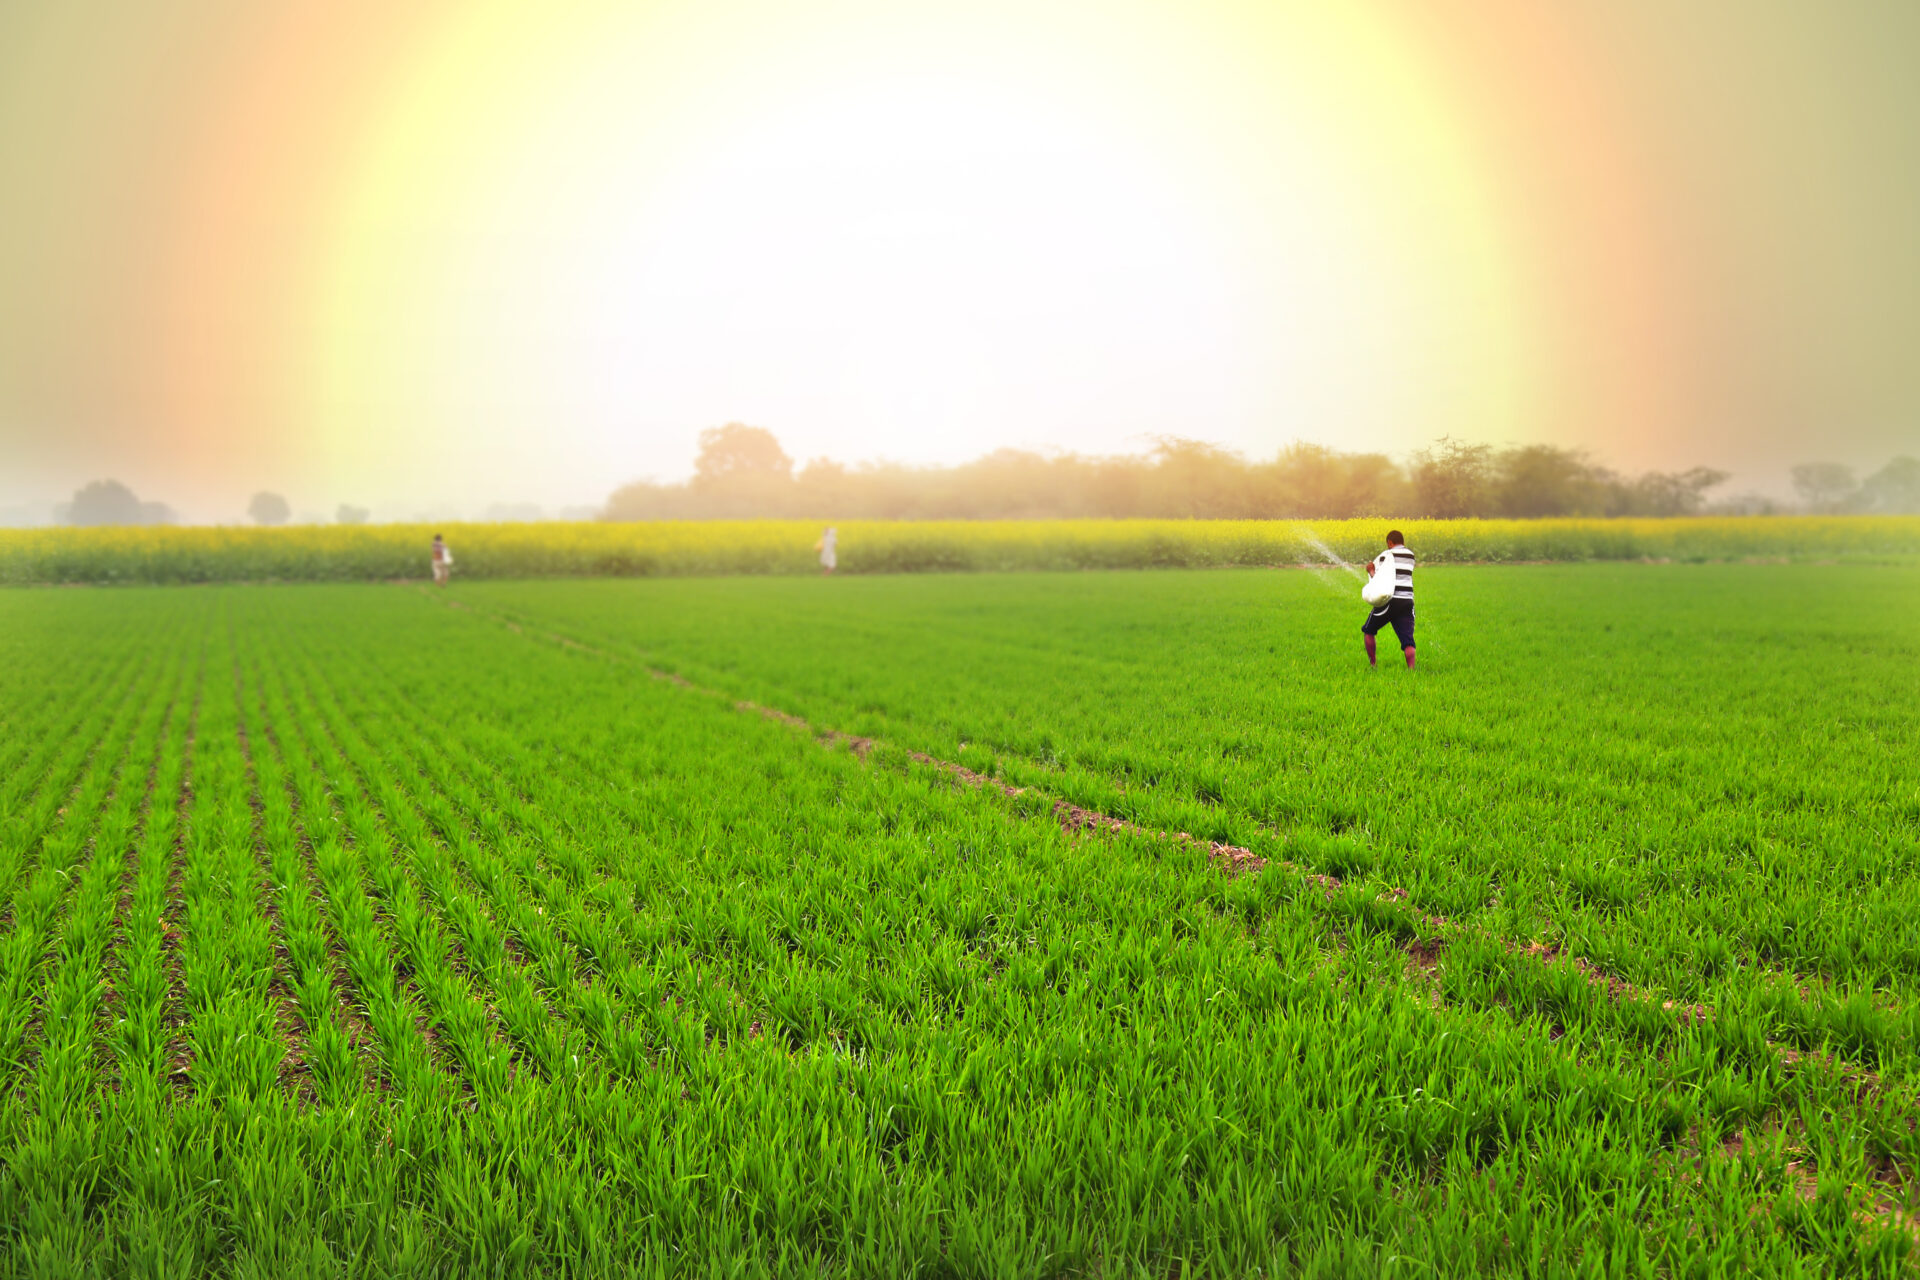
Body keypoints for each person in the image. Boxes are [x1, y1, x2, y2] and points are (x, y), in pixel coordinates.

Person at [1362, 530, 1415, 669]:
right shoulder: (1411, 555)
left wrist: (1371, 571)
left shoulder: (1386, 556)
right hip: (1407, 601)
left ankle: (1373, 665)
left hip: (1390, 601)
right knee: (1408, 641)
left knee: (1368, 630)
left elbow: (1380, 581)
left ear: (1390, 542)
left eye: (1388, 544)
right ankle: (1412, 670)